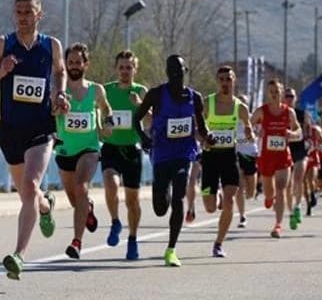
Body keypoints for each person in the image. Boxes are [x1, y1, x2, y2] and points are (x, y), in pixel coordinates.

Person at [0, 0, 69, 280]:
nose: (23, 17)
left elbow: (60, 70)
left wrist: (61, 93)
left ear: (39, 14)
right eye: (18, 12)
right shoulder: (3, 45)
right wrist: (1, 73)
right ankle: (46, 205)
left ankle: (19, 255)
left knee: (29, 184)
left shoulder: (51, 45)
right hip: (11, 130)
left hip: (41, 128)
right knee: (28, 194)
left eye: (29, 12)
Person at [134, 54, 210, 267]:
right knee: (160, 207)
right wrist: (144, 138)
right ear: (167, 73)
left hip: (184, 154)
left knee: (179, 197)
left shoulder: (195, 98)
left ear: (186, 71)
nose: (176, 74)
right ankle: (162, 191)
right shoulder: (156, 95)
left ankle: (171, 249)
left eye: (179, 70)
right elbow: (136, 119)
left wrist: (208, 136)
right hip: (161, 155)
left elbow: (202, 128)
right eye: (172, 70)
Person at [54, 43, 113, 259]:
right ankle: (87, 208)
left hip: (89, 148)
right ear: (66, 64)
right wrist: (57, 106)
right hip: (64, 150)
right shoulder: (59, 89)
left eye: (78, 62)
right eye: (70, 62)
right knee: (75, 200)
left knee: (81, 187)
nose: (74, 66)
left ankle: (76, 242)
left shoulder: (96, 90)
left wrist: (108, 123)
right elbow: (50, 111)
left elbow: (106, 108)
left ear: (85, 64)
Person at [200, 65, 253, 257]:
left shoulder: (241, 107)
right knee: (210, 207)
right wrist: (203, 140)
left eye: (228, 79)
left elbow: (248, 133)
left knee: (230, 202)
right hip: (210, 158)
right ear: (217, 81)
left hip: (229, 157)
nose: (225, 83)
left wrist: (249, 134)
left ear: (234, 81)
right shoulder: (207, 103)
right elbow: (196, 127)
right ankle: (218, 197)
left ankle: (218, 243)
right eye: (221, 79)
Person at [101, 50, 148, 260]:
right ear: (116, 69)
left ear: (135, 69)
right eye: (121, 67)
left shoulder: (141, 91)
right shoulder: (107, 91)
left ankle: (132, 239)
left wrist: (140, 106)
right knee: (110, 184)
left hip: (132, 150)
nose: (125, 71)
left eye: (129, 67)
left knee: (132, 201)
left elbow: (151, 122)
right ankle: (115, 221)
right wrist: (102, 129)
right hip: (111, 148)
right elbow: (96, 114)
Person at [250, 80, 301, 239]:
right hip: (266, 156)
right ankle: (268, 198)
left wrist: (292, 134)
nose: (274, 93)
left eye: (277, 91)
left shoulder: (289, 112)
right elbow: (247, 127)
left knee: (281, 188)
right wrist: (256, 133)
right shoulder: (261, 111)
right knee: (269, 192)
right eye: (271, 91)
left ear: (281, 94)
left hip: (283, 156)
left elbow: (298, 131)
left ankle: (278, 225)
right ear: (267, 93)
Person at [284, 88, 310, 230]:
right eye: (287, 96)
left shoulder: (301, 114)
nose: (289, 98)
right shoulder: (280, 113)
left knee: (298, 179)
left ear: (295, 98)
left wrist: (309, 139)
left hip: (300, 151)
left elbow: (308, 129)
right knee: (287, 185)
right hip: (285, 151)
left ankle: (298, 206)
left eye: (291, 96)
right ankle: (291, 213)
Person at [235, 94, 259, 226]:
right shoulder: (230, 118)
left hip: (249, 154)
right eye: (239, 102)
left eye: (243, 103)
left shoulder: (252, 118)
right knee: (239, 185)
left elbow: (257, 136)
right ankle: (242, 216)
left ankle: (248, 197)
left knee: (250, 192)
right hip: (236, 153)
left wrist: (252, 137)